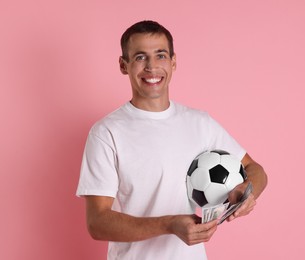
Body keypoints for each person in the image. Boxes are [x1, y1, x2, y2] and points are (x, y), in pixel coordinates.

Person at [76, 20, 268, 260]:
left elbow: (255, 169)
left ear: (173, 62)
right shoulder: (106, 133)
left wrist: (247, 192)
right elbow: (97, 222)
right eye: (140, 57)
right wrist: (170, 225)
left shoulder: (200, 123)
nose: (152, 67)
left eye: (161, 55)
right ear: (123, 65)